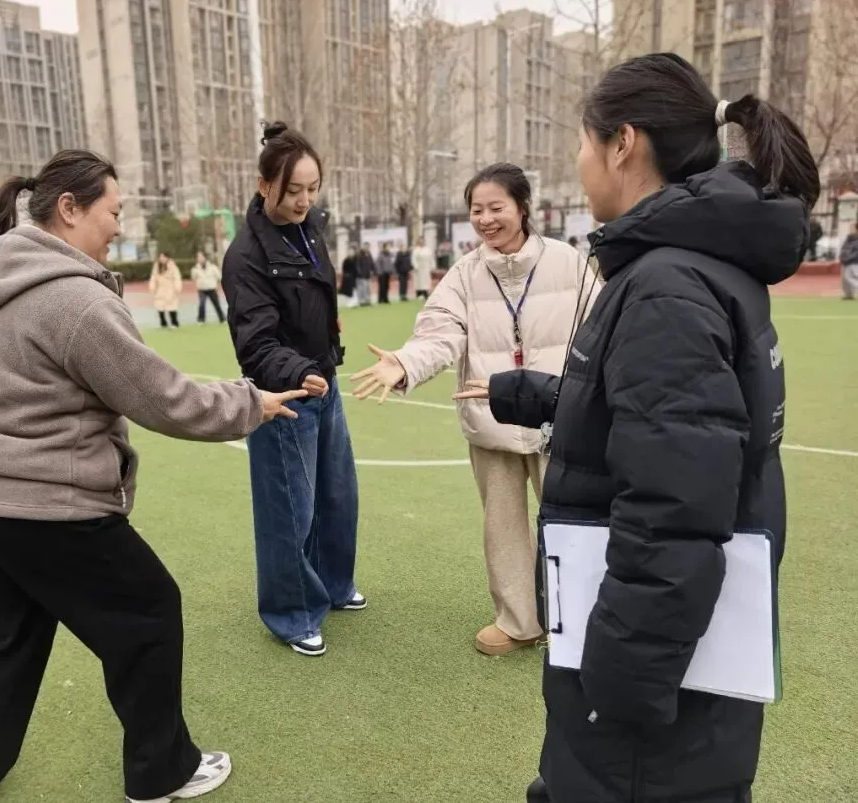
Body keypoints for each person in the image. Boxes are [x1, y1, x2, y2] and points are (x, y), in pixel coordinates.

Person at [463, 53, 818, 803]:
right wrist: (538, 395)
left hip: (650, 695)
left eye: (583, 143)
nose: (579, 161)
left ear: (622, 143)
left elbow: (674, 511)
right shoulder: (686, 267)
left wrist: (620, 681)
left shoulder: (666, 285)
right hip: (674, 674)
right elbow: (667, 425)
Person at [0, 149, 307, 803]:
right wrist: (251, 403)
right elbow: (161, 398)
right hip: (46, 505)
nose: (119, 228)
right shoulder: (74, 299)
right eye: (114, 212)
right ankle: (161, 772)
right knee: (149, 612)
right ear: (69, 209)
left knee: (11, 639)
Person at [351, 163, 595, 656]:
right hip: (492, 417)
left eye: (495, 207)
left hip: (558, 415)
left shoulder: (568, 262)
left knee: (573, 525)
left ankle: (582, 624)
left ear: (522, 207)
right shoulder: (464, 274)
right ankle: (520, 622)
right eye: (476, 210)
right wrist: (404, 363)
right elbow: (438, 333)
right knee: (503, 529)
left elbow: (599, 327)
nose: (485, 219)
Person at [221, 120, 364, 658]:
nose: (305, 200)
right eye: (293, 190)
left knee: (337, 495)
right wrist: (299, 371)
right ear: (264, 186)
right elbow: (255, 344)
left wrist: (327, 353)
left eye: (313, 188)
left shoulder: (309, 229)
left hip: (323, 381)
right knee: (289, 508)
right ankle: (292, 613)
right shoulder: (245, 256)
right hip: (282, 396)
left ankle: (334, 584)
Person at [190, 250, 225, 323]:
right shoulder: (195, 268)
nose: (200, 258)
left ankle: (222, 318)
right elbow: (193, 278)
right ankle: (201, 320)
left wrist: (216, 285)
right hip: (202, 289)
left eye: (201, 256)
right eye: (198, 257)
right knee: (202, 304)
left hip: (212, 289)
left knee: (216, 304)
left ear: (205, 257)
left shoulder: (212, 267)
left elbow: (219, 277)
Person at [150, 252, 182, 328]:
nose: (162, 259)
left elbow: (177, 277)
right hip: (160, 289)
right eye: (160, 257)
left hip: (170, 289)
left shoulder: (172, 266)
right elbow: (153, 277)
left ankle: (174, 323)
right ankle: (163, 323)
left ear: (167, 258)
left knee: (172, 307)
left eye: (163, 257)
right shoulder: (157, 266)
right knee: (160, 306)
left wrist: (178, 287)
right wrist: (152, 286)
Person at [840, 222, 858, 299]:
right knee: (845, 279)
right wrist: (843, 257)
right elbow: (844, 248)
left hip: (854, 261)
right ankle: (848, 294)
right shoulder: (848, 238)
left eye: (852, 228)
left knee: (850, 277)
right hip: (845, 261)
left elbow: (856, 253)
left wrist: (848, 258)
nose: (850, 230)